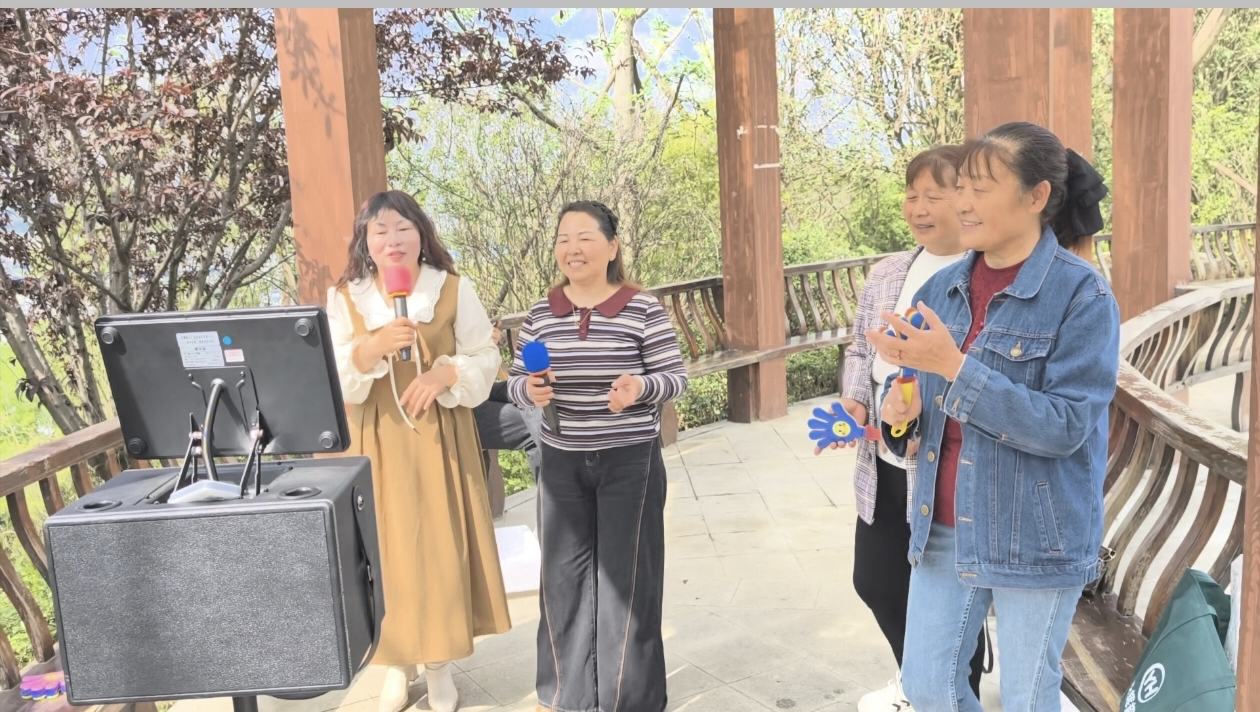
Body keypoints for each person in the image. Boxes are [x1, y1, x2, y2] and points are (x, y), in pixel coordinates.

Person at [871, 122, 1115, 712]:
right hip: (943, 520)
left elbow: (1066, 425)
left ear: (1036, 196)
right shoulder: (941, 289)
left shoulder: (1082, 295)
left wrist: (955, 368)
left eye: (980, 188)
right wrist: (899, 415)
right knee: (927, 686)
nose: (962, 202)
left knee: (1028, 698)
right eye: (961, 187)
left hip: (1036, 530)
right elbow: (917, 409)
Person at [326, 190, 512, 712]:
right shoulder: (344, 298)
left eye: (403, 228)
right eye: (380, 230)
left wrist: (445, 374)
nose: (393, 239)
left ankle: (439, 666)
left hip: (439, 435)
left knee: (437, 547)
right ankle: (396, 663)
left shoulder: (451, 288)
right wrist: (370, 349)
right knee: (383, 550)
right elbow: (332, 371)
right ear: (365, 241)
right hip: (376, 439)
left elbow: (484, 354)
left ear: (421, 234)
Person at [820, 145, 988, 712]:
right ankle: (918, 680)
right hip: (883, 457)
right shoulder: (889, 271)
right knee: (875, 580)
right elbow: (857, 349)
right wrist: (854, 402)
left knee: (943, 596)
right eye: (911, 195)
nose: (918, 207)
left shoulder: (980, 275)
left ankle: (944, 691)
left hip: (940, 463)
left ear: (965, 200)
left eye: (933, 196)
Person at [507, 200, 688, 712]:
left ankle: (629, 700)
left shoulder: (642, 308)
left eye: (585, 237)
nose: (573, 248)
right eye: (564, 239)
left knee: (626, 582)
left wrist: (640, 387)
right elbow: (517, 381)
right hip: (562, 462)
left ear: (612, 247)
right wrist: (531, 391)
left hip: (629, 460)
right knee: (562, 580)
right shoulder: (541, 313)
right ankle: (566, 697)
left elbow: (675, 377)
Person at [473, 323, 544, 481]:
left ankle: (554, 491)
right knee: (538, 423)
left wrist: (488, 342)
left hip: (477, 388)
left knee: (533, 395)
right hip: (451, 405)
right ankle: (560, 488)